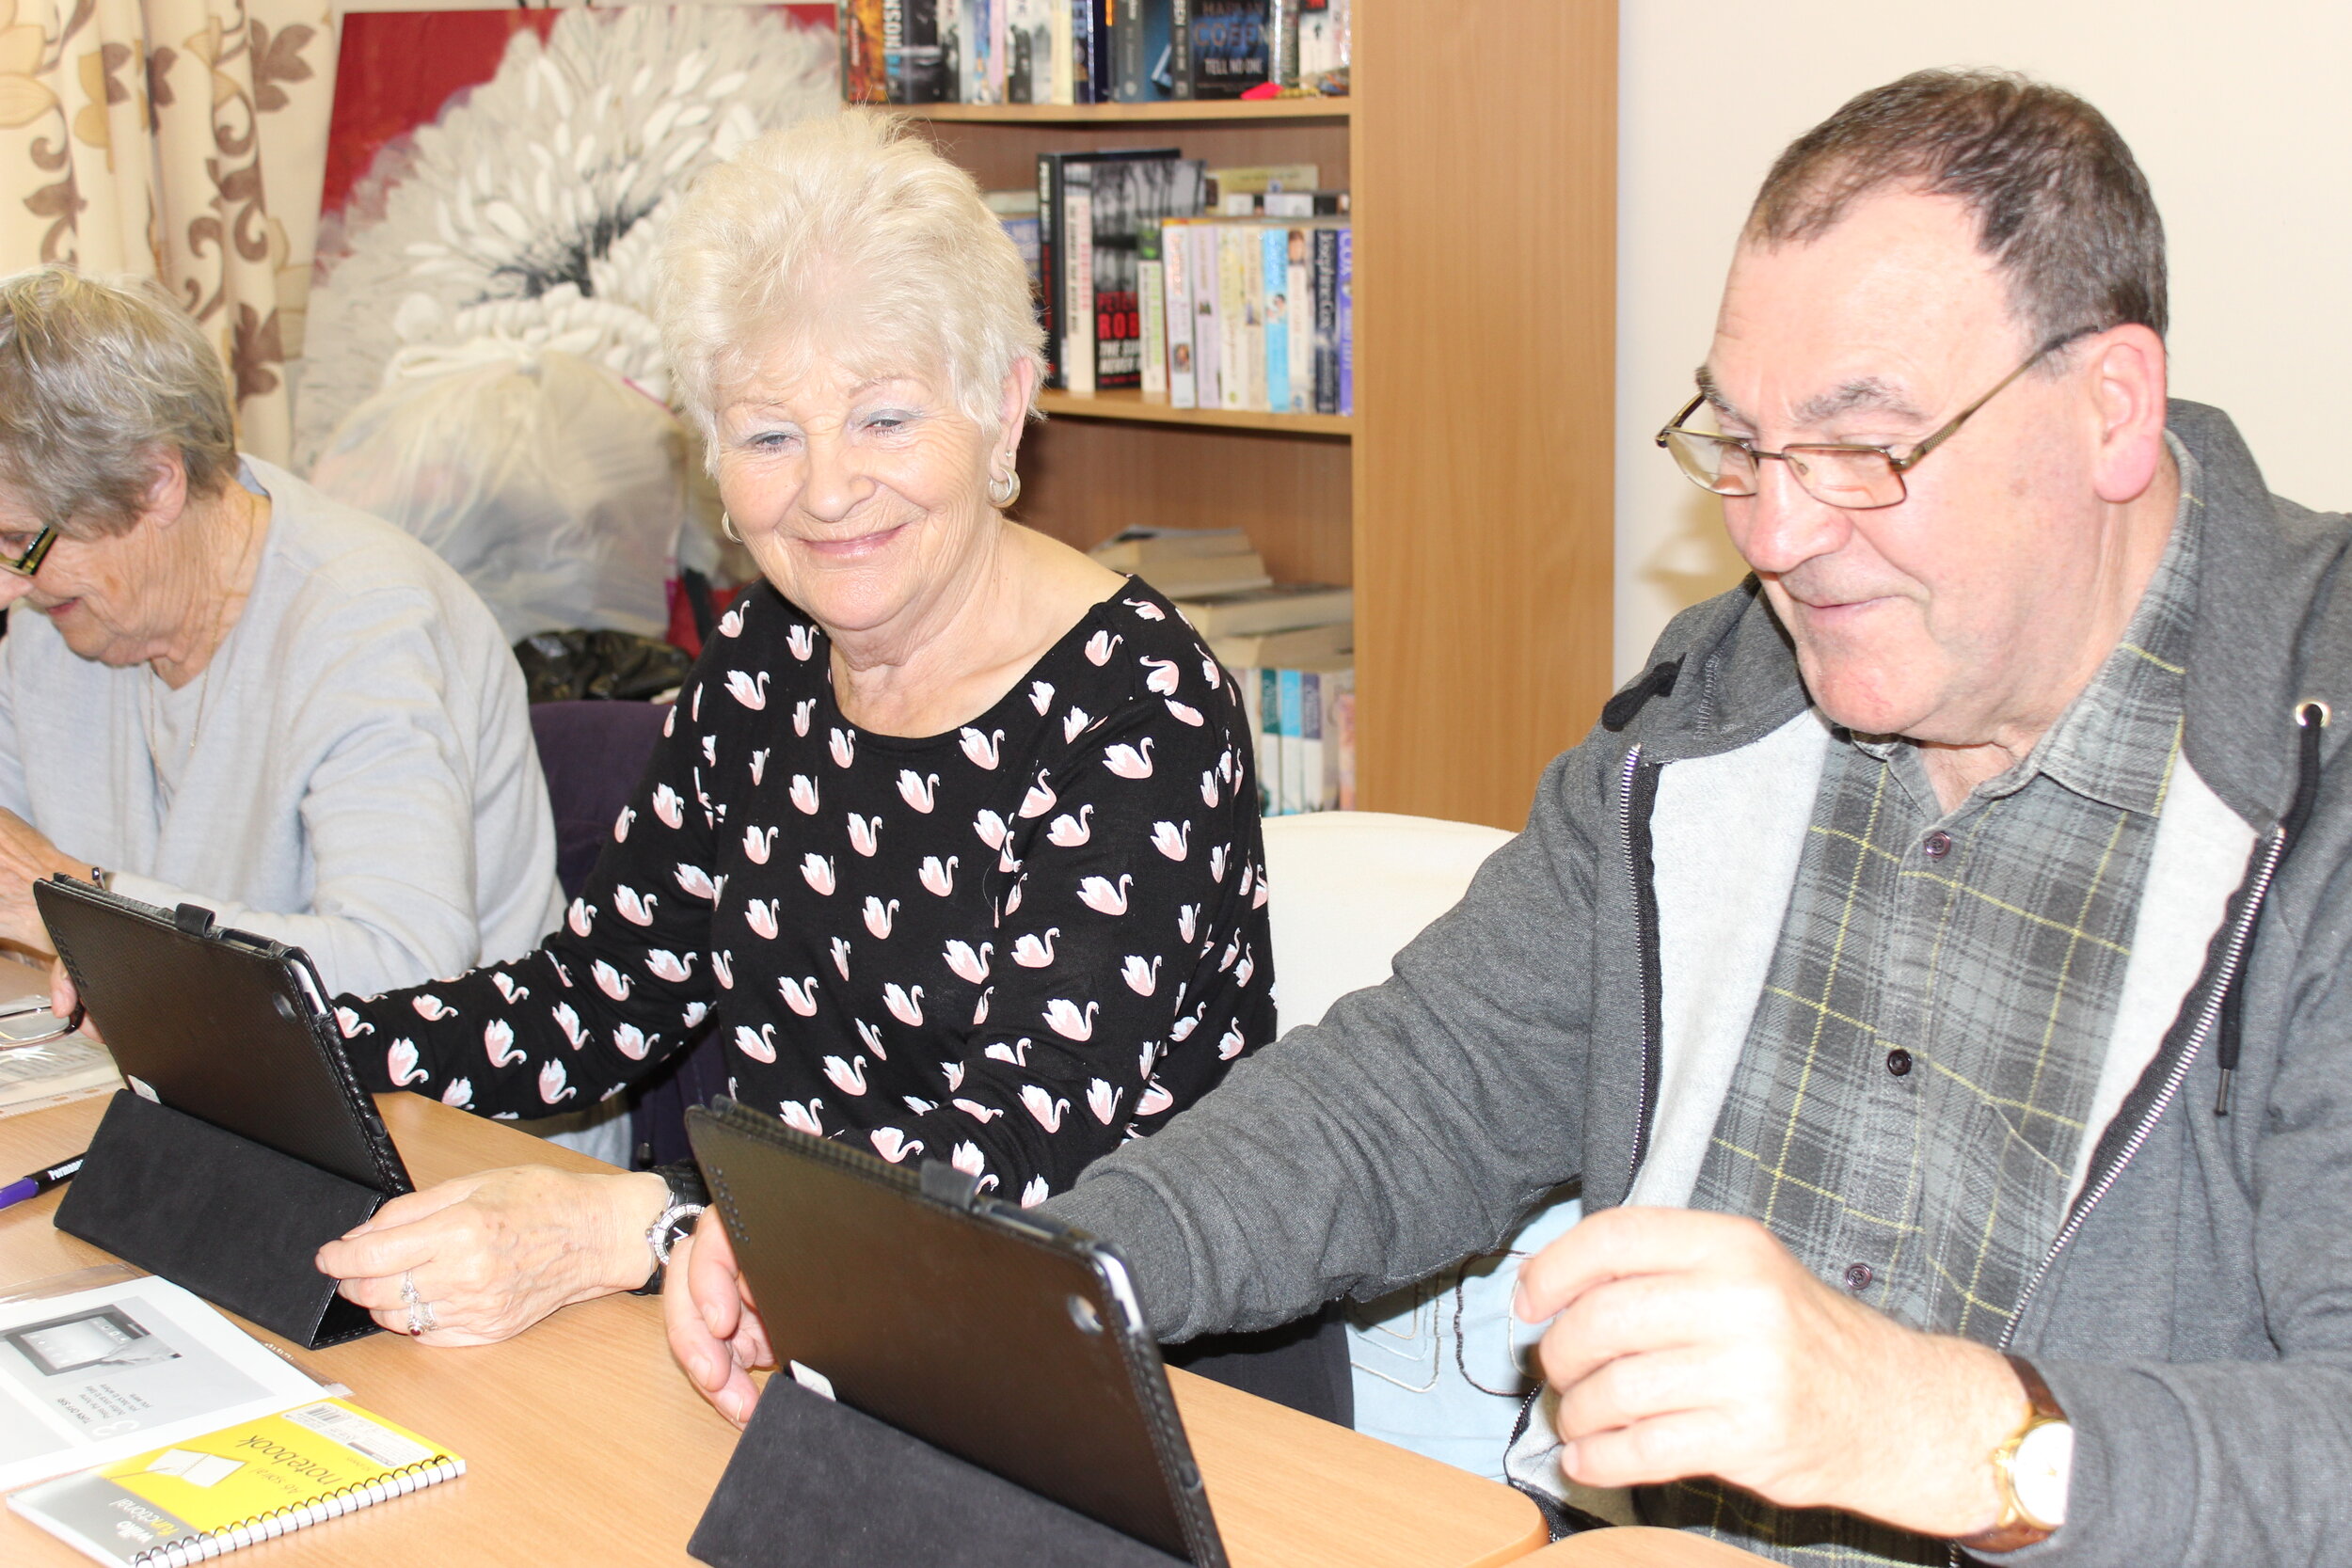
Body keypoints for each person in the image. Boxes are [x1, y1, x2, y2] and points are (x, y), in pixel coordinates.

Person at [671, 71, 2352, 1565]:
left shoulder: (2311, 785)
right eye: (1742, 445)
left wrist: (1935, 1428)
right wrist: (979, 1298)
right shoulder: (1731, 701)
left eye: (1860, 450)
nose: (1776, 533)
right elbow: (1411, 1088)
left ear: (2112, 409)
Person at [315, 111, 1278, 1358]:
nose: (826, 491)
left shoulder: (1138, 709)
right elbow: (594, 998)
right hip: (798, 1331)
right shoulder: (771, 653)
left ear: (1001, 408)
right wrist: (303, 1039)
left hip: (1099, 1366)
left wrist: (647, 1228)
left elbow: (1010, 1161)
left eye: (882, 418)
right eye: (771, 434)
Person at [0, 267, 562, 999]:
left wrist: (78, 908)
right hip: (189, 1075)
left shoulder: (365, 625)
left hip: (436, 1100)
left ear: (155, 483)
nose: (8, 585)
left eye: (19, 538)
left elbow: (407, 965)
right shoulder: (66, 615)